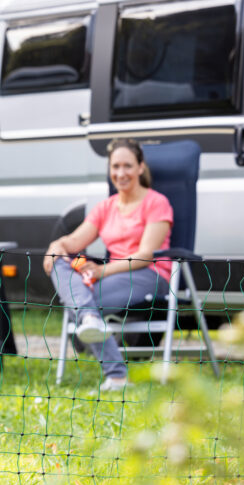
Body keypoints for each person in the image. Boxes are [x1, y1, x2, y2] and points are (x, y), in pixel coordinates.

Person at [43, 139, 173, 391]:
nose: (120, 173)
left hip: (149, 274)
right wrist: (56, 247)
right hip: (108, 275)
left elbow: (146, 255)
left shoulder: (157, 203)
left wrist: (101, 270)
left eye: (127, 166)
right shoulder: (106, 207)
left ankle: (114, 371)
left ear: (140, 167)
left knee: (78, 301)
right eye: (115, 166)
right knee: (61, 262)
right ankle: (95, 327)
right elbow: (74, 241)